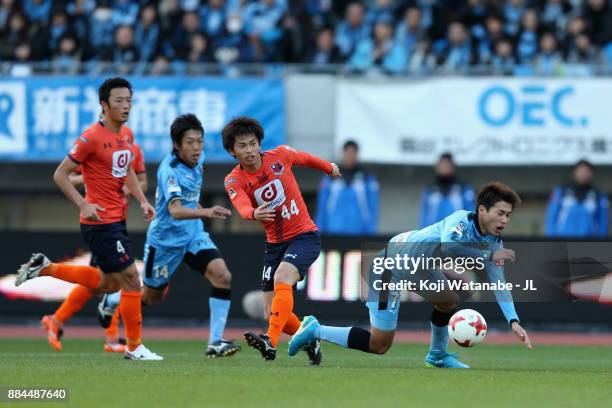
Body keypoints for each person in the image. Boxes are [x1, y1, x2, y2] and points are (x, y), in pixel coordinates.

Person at [289, 182, 532, 368]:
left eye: (508, 215)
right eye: (500, 213)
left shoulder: (494, 242)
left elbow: (499, 283)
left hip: (421, 267)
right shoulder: (460, 221)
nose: (504, 220)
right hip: (391, 265)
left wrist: (514, 320)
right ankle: (315, 329)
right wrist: (488, 256)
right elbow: (449, 246)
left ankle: (437, 355)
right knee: (379, 344)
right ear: (481, 210)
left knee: (448, 301)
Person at [16, 77, 162, 361]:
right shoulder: (91, 137)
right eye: (119, 101)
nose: (125, 106)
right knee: (132, 280)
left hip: (116, 220)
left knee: (108, 285)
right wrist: (83, 204)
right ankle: (134, 346)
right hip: (100, 222)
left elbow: (128, 170)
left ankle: (45, 268)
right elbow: (60, 174)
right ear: (104, 105)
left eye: (129, 100)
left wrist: (143, 201)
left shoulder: (126, 136)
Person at [97, 114, 241, 358]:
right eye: (190, 142)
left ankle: (215, 342)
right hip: (165, 241)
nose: (197, 148)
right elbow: (174, 211)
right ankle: (112, 301)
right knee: (152, 297)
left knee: (222, 276)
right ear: (177, 145)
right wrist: (206, 211)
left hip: (193, 234)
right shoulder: (170, 171)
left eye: (200, 141)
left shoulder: (200, 158)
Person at [222, 116, 341, 363]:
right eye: (242, 146)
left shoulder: (280, 156)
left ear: (259, 143)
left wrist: (329, 167)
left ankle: (270, 341)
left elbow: (306, 159)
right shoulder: (233, 180)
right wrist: (253, 213)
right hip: (274, 245)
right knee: (271, 311)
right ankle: (311, 340)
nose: (249, 150)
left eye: (252, 143)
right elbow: (242, 206)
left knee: (281, 278)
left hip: (304, 236)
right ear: (232, 151)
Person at [40, 142, 147, 354]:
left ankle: (57, 318)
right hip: (101, 222)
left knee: (99, 283)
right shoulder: (95, 144)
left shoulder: (131, 147)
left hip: (118, 222)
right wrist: (89, 178)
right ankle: (113, 338)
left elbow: (142, 181)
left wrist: (130, 189)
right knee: (121, 279)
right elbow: (66, 176)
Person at [316, 140, 379, 235]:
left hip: (359, 233)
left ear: (357, 155)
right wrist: (319, 232)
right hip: (333, 233)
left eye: (353, 154)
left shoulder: (367, 178)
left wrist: (371, 232)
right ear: (343, 154)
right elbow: (322, 207)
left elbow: (373, 208)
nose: (350, 157)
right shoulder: (330, 177)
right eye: (348, 153)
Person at [545, 159, 609, 238]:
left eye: (586, 171)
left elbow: (602, 223)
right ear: (574, 172)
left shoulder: (598, 194)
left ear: (591, 174)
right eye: (581, 171)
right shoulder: (561, 191)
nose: (583, 174)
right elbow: (551, 218)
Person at [420, 153, 475, 228]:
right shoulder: (430, 190)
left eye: (447, 165)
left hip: (458, 236)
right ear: (437, 168)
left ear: (453, 167)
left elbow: (471, 213)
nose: (445, 168)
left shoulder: (464, 188)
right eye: (442, 165)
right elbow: (424, 216)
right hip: (434, 235)